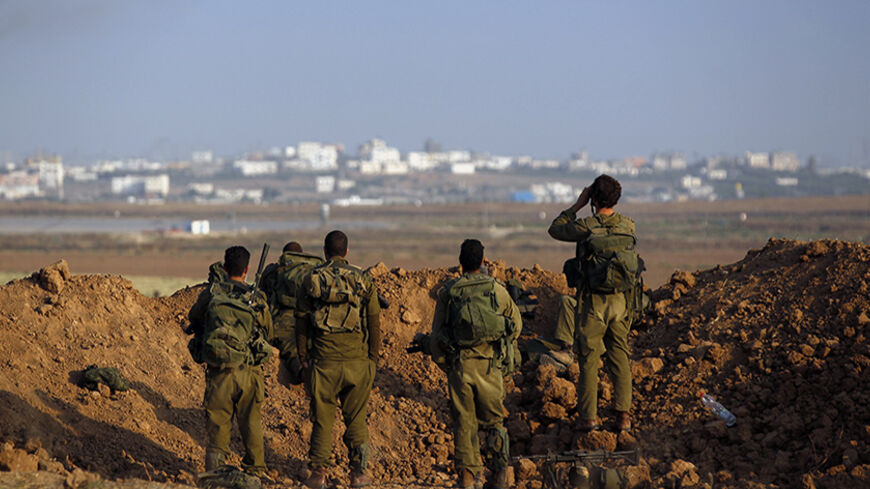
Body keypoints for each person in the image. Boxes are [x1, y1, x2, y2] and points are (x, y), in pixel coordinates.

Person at [428, 239, 523, 489]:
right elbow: (516, 325)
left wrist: (445, 365)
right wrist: (502, 352)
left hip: (461, 367)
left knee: (464, 422)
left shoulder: (449, 291)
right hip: (490, 366)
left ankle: (469, 478)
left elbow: (437, 336)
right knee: (494, 422)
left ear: (460, 263)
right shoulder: (496, 289)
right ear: (483, 261)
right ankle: (499, 474)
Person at [547, 174, 638, 432]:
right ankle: (623, 417)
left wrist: (577, 205)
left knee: (588, 359)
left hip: (594, 304)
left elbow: (555, 229)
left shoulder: (587, 226)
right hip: (621, 303)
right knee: (620, 357)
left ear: (593, 199)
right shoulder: (628, 226)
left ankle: (589, 418)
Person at [295, 230, 380, 489]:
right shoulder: (364, 280)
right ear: (346, 253)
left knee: (323, 419)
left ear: (324, 251)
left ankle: (319, 474)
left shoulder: (312, 279)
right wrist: (372, 361)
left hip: (323, 362)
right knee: (356, 418)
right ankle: (358, 474)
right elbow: (374, 325)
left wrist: (304, 358)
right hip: (357, 363)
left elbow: (300, 324)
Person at [187, 246, 274, 478]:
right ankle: (255, 472)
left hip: (220, 371)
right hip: (249, 371)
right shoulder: (256, 298)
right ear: (246, 270)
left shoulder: (213, 293)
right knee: (251, 422)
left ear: (224, 268)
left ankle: (215, 474)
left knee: (217, 423)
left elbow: (194, 317)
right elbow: (269, 330)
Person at [262, 241, 324, 384]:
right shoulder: (315, 270)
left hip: (284, 317)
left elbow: (263, 296)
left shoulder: (274, 270)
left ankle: (302, 372)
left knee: (289, 346)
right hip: (312, 315)